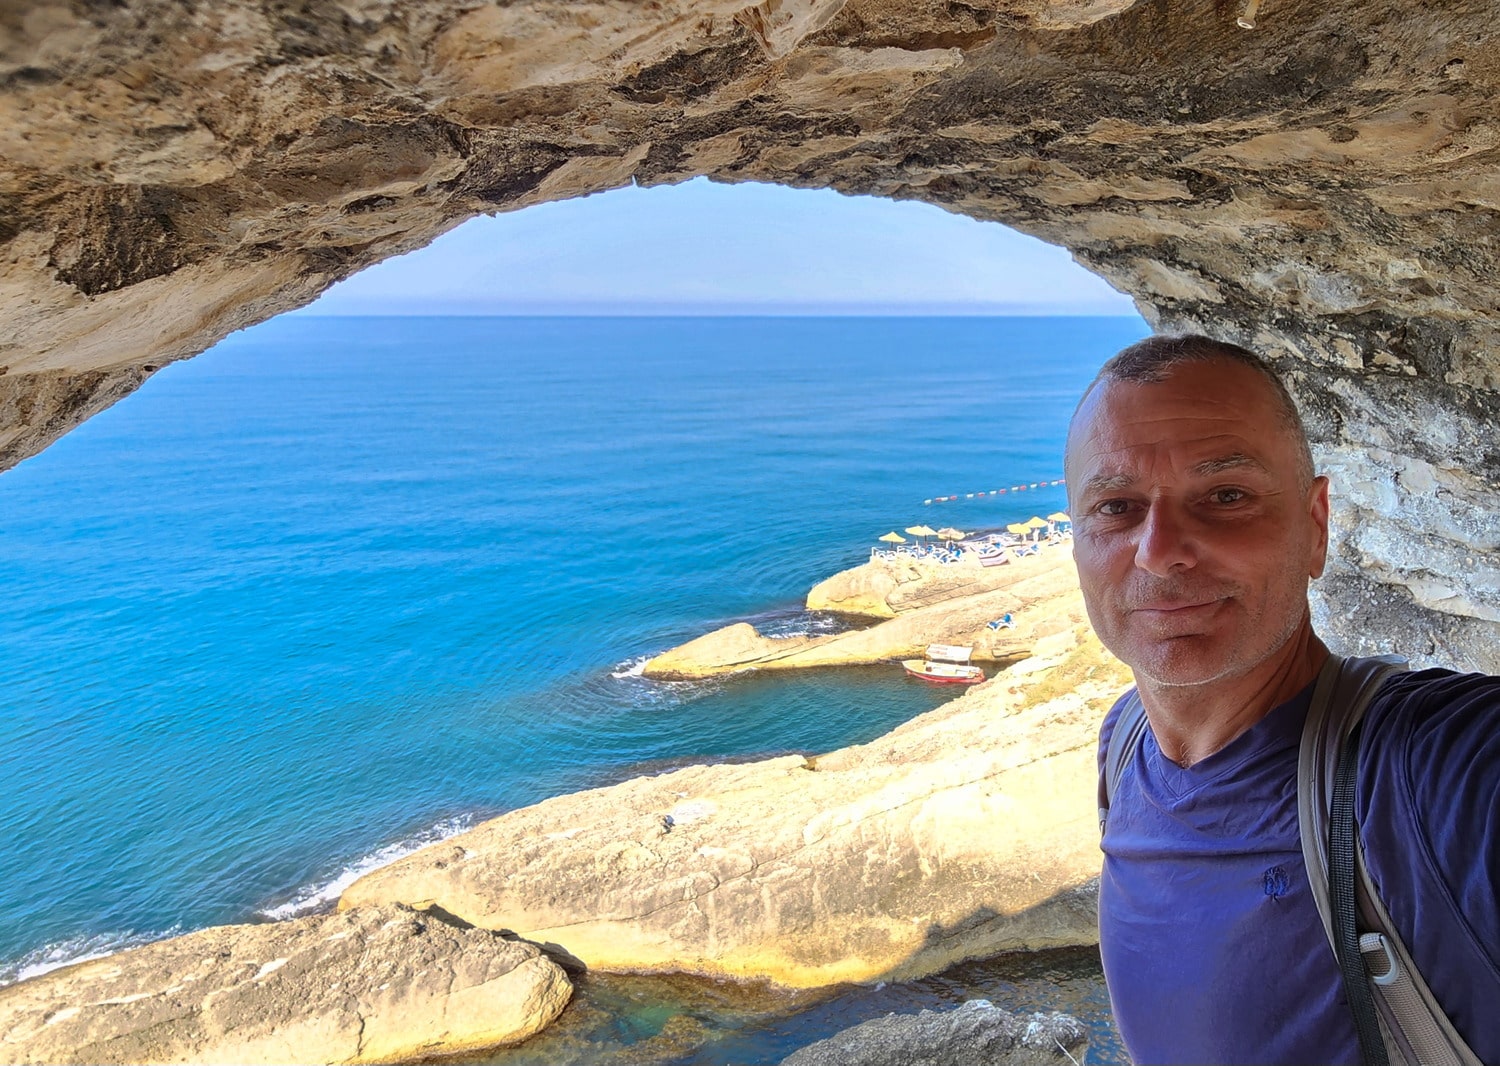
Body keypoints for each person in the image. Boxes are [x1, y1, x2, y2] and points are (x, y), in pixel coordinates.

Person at [1063, 334, 1499, 1065]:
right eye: (1116, 506)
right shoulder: (1124, 744)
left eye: (1226, 496)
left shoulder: (1429, 771)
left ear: (1316, 527)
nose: (1160, 549)